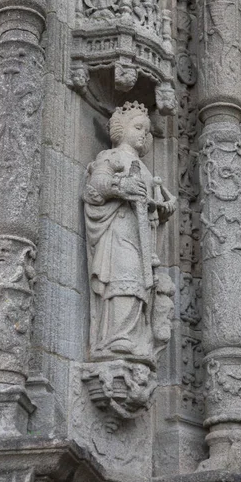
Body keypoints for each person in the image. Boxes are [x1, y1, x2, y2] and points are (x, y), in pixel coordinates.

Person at [83, 101, 176, 363]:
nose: (143, 135)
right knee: (124, 274)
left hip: (141, 233)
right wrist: (121, 186)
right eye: (138, 127)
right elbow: (97, 184)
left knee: (139, 282)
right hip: (120, 229)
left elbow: (150, 203)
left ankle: (133, 336)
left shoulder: (144, 168)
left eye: (146, 131)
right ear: (120, 130)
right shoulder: (111, 157)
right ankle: (116, 335)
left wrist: (162, 207)